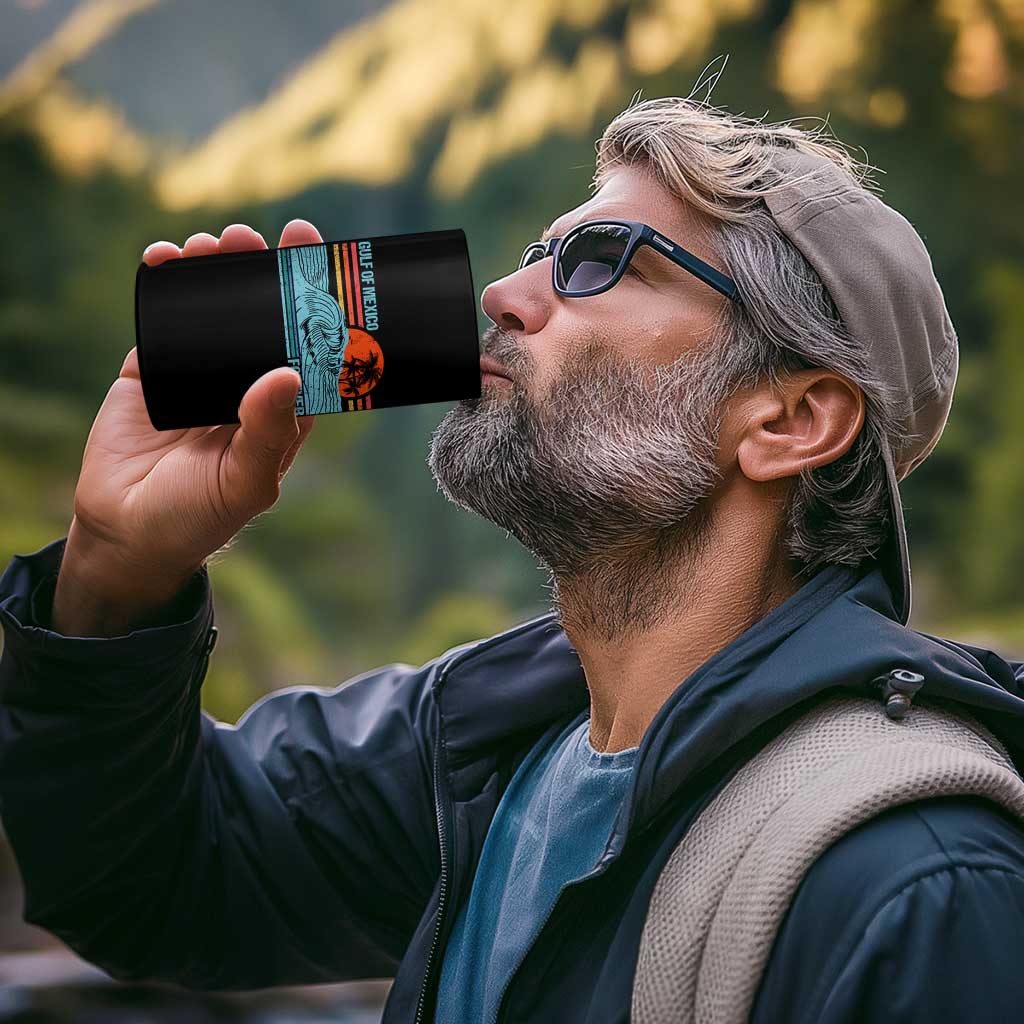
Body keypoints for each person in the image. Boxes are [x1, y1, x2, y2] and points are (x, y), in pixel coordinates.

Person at [2, 94, 1024, 1024]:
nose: (503, 291)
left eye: (599, 261)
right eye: (540, 252)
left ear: (790, 419)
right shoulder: (480, 748)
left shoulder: (918, 884)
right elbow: (149, 880)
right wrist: (115, 573)